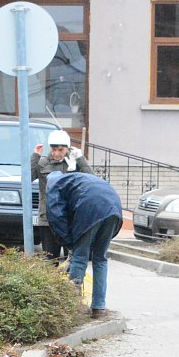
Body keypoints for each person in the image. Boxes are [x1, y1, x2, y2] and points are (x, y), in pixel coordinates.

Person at [45, 152, 123, 320]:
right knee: (100, 259)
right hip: (114, 207)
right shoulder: (76, 179)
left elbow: (56, 215)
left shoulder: (54, 185)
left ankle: (74, 308)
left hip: (91, 209)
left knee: (80, 257)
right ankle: (99, 308)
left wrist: (68, 242)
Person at [33, 130, 92, 260]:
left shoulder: (74, 162)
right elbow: (26, 179)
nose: (57, 153)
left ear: (67, 148)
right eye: (54, 149)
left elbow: (91, 180)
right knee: (49, 259)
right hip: (48, 219)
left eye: (61, 149)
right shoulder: (43, 162)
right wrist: (35, 157)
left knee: (71, 259)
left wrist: (81, 159)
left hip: (70, 218)